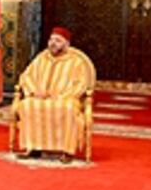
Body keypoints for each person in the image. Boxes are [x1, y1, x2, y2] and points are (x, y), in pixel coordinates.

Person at [13, 27, 95, 163]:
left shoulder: (76, 62)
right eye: (51, 39)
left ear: (66, 44)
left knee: (67, 108)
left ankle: (67, 151)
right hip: (40, 97)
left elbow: (81, 84)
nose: (52, 43)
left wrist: (61, 95)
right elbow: (26, 76)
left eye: (57, 41)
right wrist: (34, 91)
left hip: (65, 99)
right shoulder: (41, 58)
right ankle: (34, 147)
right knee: (27, 105)